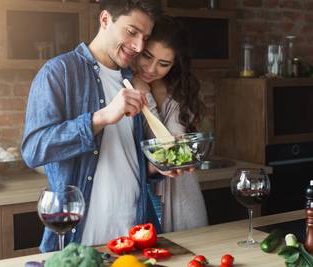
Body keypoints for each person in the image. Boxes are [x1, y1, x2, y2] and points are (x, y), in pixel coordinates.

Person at [21, 0, 163, 252]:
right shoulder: (58, 72)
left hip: (134, 235)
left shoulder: (132, 80)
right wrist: (101, 117)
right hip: (79, 240)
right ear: (105, 19)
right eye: (131, 32)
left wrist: (160, 166)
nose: (138, 46)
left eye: (145, 37)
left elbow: (125, 160)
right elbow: (34, 150)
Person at [132, 16, 208, 232]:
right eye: (147, 56)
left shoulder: (179, 94)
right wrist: (141, 90)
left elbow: (165, 149)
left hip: (181, 199)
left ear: (175, 64)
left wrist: (145, 93)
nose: (151, 68)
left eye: (163, 64)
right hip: (138, 200)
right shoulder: (121, 85)